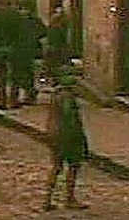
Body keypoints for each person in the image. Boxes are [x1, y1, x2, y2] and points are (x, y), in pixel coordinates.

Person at [44, 68, 89, 211]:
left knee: (56, 167)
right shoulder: (67, 97)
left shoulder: (56, 95)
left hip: (54, 134)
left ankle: (48, 198)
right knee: (73, 166)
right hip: (67, 136)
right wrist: (80, 137)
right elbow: (69, 118)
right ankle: (69, 198)